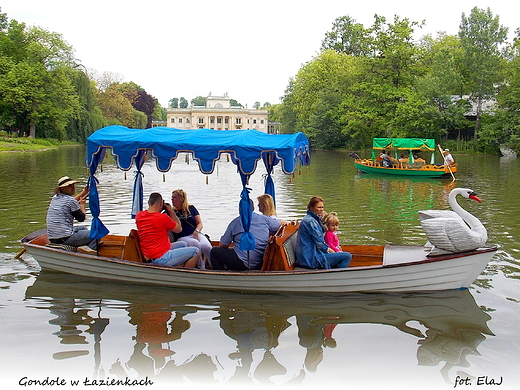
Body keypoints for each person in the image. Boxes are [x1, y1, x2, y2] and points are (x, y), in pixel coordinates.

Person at [210, 201, 281, 270]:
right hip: (261, 261)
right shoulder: (265, 219)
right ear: (253, 208)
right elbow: (279, 224)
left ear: (239, 209)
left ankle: (221, 276)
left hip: (244, 262)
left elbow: (223, 244)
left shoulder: (236, 222)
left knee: (214, 252)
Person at [135, 192, 200, 267]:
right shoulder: (162, 218)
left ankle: (177, 268)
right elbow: (179, 229)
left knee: (183, 244)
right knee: (196, 251)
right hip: (161, 258)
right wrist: (171, 211)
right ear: (160, 204)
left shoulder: (139, 215)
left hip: (150, 255)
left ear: (149, 203)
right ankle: (184, 276)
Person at [296, 196, 351, 269]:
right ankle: (337, 277)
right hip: (311, 258)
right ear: (311, 208)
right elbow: (320, 244)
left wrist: (323, 218)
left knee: (341, 254)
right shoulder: (311, 221)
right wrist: (334, 252)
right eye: (319, 207)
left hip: (310, 255)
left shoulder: (312, 218)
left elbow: (322, 232)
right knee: (347, 256)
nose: (321, 210)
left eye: (322, 207)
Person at [46, 176, 97, 254]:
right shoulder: (70, 201)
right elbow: (81, 219)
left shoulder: (55, 198)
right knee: (97, 234)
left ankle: (83, 247)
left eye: (73, 185)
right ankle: (88, 254)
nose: (73, 187)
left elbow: (71, 202)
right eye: (69, 186)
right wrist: (82, 206)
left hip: (53, 237)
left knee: (82, 228)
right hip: (65, 238)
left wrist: (84, 192)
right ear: (62, 189)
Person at [170, 189, 212, 269]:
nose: (172, 200)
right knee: (195, 244)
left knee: (206, 246)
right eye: (172, 198)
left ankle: (214, 265)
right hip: (182, 237)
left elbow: (199, 223)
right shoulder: (171, 212)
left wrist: (196, 231)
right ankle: (201, 267)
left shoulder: (191, 208)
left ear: (181, 198)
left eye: (174, 197)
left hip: (195, 233)